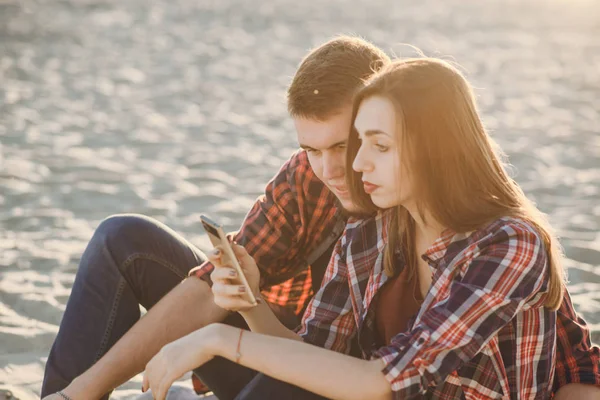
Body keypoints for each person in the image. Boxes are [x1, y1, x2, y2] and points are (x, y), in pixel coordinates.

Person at [41, 38, 599, 399]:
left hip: (371, 384)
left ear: (426, 144)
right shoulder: (367, 229)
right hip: (322, 377)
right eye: (316, 149)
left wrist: (218, 339)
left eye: (367, 144)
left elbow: (390, 379)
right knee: (125, 240)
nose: (346, 167)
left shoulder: (505, 242)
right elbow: (307, 353)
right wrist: (245, 305)